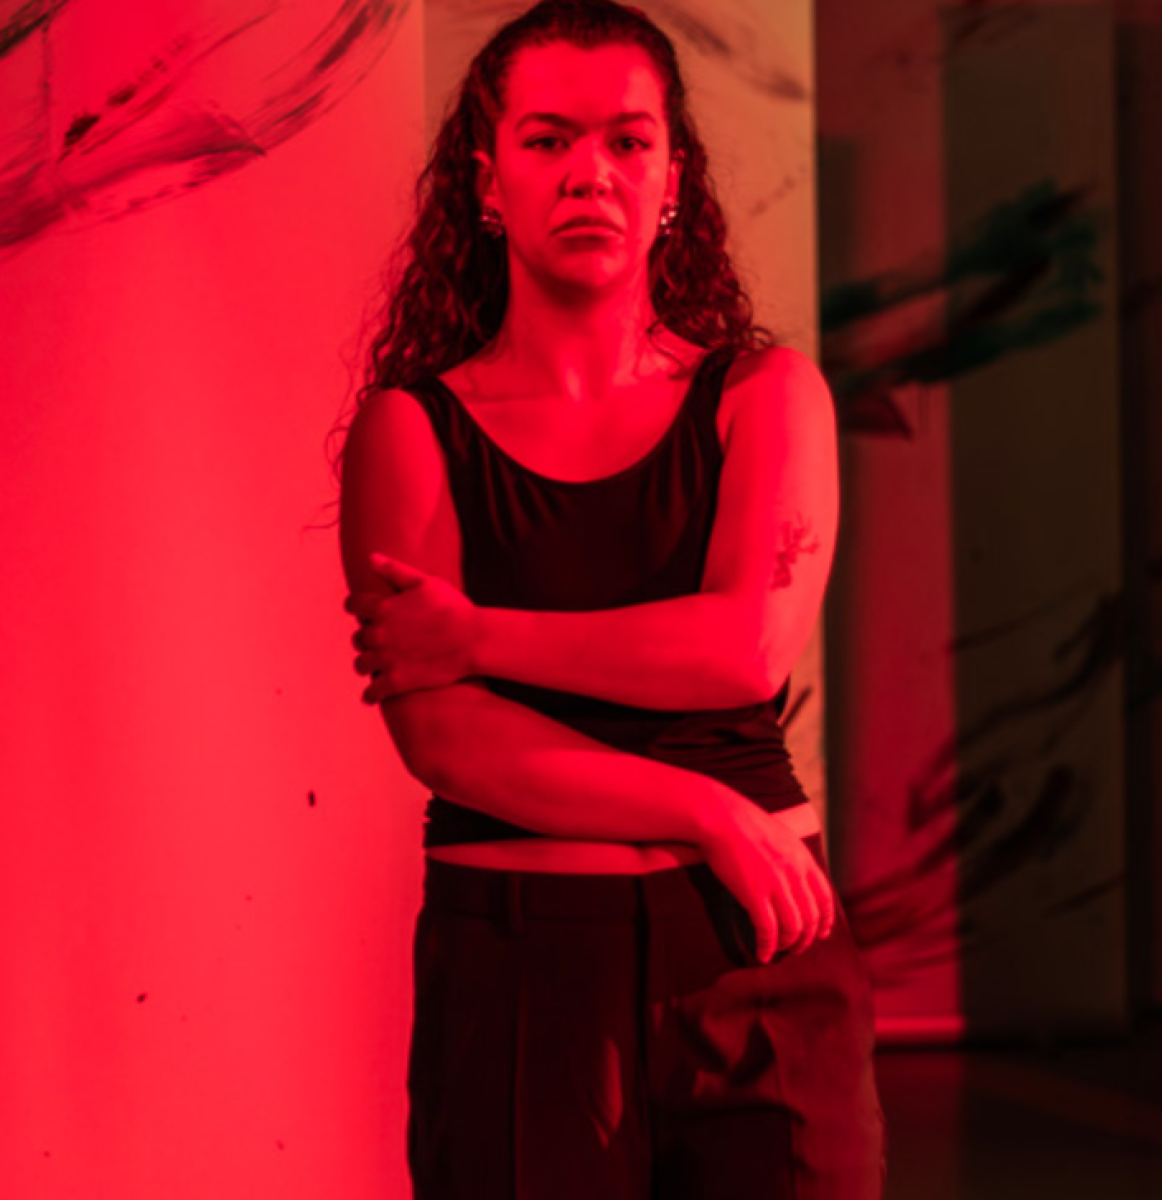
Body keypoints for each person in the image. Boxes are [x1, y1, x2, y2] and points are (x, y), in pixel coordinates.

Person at [336, 2, 885, 1197]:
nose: (591, 173)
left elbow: (740, 651)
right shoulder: (410, 430)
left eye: (628, 141)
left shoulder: (766, 394)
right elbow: (446, 736)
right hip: (526, 964)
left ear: (672, 178)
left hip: (762, 950)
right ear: (487, 181)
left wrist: (477, 634)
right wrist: (708, 812)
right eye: (548, 140)